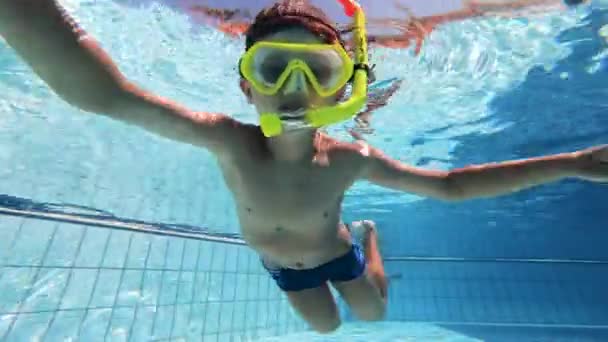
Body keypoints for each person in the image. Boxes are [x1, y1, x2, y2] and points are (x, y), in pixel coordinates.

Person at [0, 0, 606, 334]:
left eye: (315, 71)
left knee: (372, 312)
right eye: (273, 69)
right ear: (247, 86)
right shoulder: (228, 141)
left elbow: (449, 187)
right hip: (282, 264)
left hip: (334, 251)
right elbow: (108, 95)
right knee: (326, 330)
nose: (292, 87)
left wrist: (573, 163)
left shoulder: (347, 160)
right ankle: (363, 244)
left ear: (341, 88)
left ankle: (371, 243)